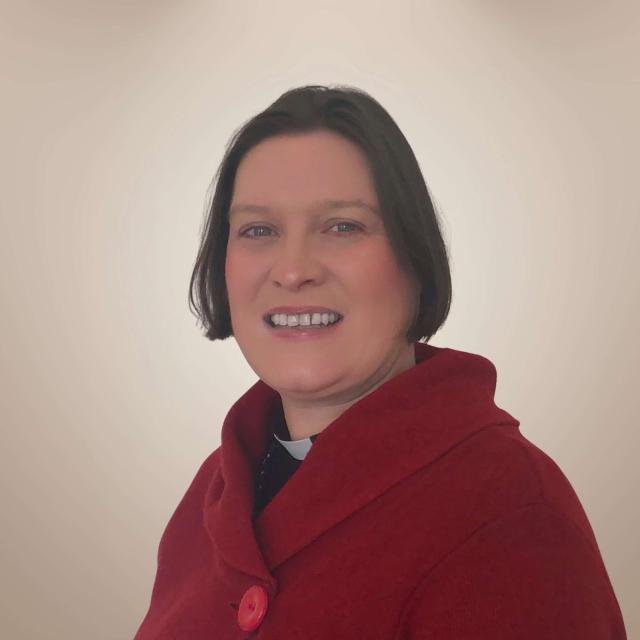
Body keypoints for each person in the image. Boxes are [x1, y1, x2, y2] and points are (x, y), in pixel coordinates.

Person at [133, 84, 626, 639]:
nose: (293, 270)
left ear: (415, 259)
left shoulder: (511, 510)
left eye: (343, 226)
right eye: (258, 230)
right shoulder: (214, 492)